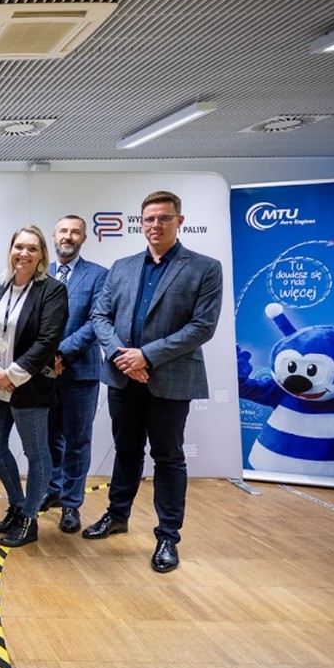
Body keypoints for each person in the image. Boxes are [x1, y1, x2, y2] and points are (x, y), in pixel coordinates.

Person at [86, 190, 223, 573]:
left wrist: (146, 356)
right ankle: (117, 516)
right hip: (123, 378)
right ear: (141, 223)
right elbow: (100, 317)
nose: (155, 225)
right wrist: (122, 356)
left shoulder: (205, 268)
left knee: (168, 458)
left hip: (170, 380)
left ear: (179, 221)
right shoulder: (122, 267)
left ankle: (167, 537)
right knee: (126, 451)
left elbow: (202, 326)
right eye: (149, 219)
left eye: (164, 218)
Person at [0, 227, 69, 548]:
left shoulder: (52, 290)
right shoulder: (0, 287)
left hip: (29, 386)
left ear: (42, 254)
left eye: (32, 248)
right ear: (11, 250)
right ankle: (17, 505)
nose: (24, 254)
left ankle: (29, 519)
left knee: (37, 454)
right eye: (19, 247)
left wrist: (13, 374)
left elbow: (48, 340)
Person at [40, 215, 109, 533]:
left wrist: (59, 352)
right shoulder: (40, 273)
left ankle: (71, 503)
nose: (68, 236)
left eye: (75, 232)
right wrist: (43, 357)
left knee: (77, 440)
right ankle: (52, 490)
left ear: (84, 238)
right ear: (54, 236)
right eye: (63, 231)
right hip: (42, 372)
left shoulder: (99, 275)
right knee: (48, 438)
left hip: (81, 372)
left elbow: (97, 322)